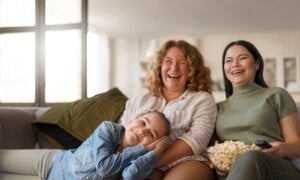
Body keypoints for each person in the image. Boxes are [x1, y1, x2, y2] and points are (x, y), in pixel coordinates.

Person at [119, 39, 217, 180]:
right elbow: (121, 135)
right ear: (159, 66)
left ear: (192, 69)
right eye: (168, 61)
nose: (174, 68)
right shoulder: (139, 100)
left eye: (182, 63)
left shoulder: (202, 99)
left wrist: (148, 163)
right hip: (138, 163)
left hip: (186, 161)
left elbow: (196, 140)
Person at [0, 110, 171, 180]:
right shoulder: (109, 129)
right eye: (143, 122)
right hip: (51, 162)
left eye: (151, 134)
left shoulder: (142, 159)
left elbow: (130, 175)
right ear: (136, 117)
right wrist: (145, 147)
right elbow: (104, 167)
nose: (142, 131)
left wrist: (155, 153)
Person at [216, 40, 300, 179]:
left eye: (242, 58)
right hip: (234, 171)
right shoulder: (218, 108)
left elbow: (296, 144)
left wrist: (282, 149)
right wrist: (217, 160)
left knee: (250, 157)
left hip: (275, 167)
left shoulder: (277, 95)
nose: (235, 64)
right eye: (229, 60)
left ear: (257, 64)